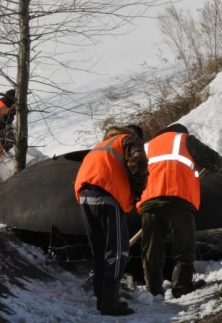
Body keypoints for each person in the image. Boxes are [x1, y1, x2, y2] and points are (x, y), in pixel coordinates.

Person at [138, 123, 222, 298]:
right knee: (184, 247)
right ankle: (181, 287)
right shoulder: (185, 139)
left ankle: (153, 291)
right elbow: (215, 162)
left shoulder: (146, 146)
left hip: (149, 201)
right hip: (178, 199)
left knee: (152, 249)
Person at [75, 125, 148, 316]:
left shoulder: (102, 145)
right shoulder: (128, 140)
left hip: (85, 197)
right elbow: (139, 164)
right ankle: (110, 302)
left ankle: (101, 298)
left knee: (99, 251)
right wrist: (137, 191)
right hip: (107, 196)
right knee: (117, 251)